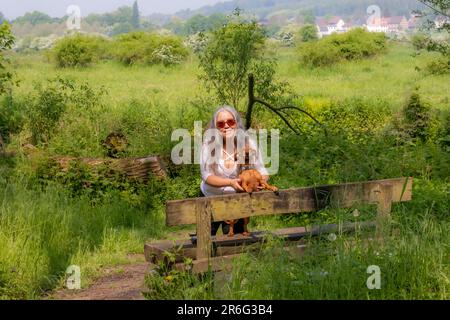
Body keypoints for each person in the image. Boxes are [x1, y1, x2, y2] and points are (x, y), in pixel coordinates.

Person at [200, 105, 270, 235]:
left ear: (237, 123)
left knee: (235, 242)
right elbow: (206, 175)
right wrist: (231, 183)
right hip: (210, 197)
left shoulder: (249, 143)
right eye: (220, 124)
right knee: (205, 239)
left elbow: (262, 171)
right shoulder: (208, 145)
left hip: (237, 200)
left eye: (230, 122)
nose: (226, 126)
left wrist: (259, 183)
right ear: (215, 128)